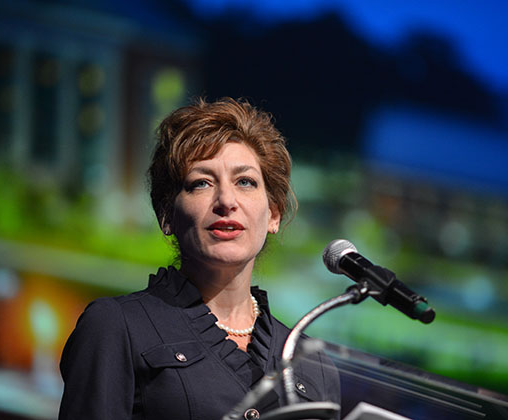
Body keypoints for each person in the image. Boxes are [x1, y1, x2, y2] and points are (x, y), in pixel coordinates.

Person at [58, 98, 341, 419]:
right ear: (166, 215)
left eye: (245, 181)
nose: (226, 200)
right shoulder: (116, 326)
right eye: (201, 183)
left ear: (273, 213)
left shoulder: (313, 364)